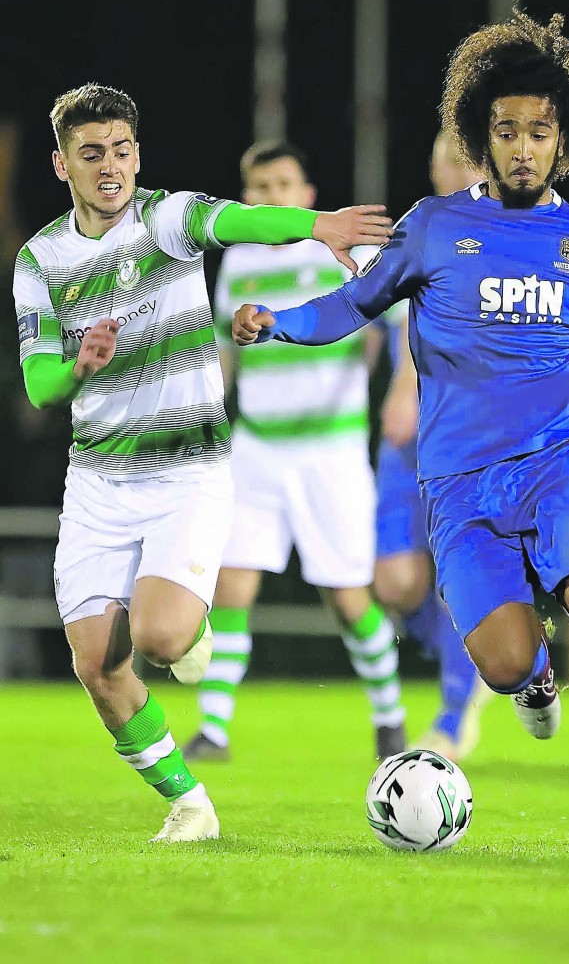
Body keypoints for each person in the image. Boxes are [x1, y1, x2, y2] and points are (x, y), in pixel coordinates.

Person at [229, 11, 569, 851]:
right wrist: (280, 323)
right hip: (457, 481)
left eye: (538, 133)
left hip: (560, 461)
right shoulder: (435, 225)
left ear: (565, 142)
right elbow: (353, 304)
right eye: (505, 131)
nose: (522, 147)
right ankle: (534, 678)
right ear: (481, 138)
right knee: (505, 662)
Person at [12, 83, 392, 843]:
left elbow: (241, 219)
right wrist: (80, 367)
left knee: (156, 640)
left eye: (121, 149)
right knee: (96, 666)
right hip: (95, 481)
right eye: (92, 154)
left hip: (187, 469)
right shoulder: (40, 259)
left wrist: (317, 224)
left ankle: (192, 635)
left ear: (137, 154)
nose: (110, 166)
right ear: (62, 165)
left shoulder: (167, 218)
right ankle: (189, 803)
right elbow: (37, 380)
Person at [183, 140, 406, 763]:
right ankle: (215, 729)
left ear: (306, 197)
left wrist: (401, 389)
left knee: (347, 597)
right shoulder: (237, 262)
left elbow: (400, 323)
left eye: (282, 185)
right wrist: (206, 419)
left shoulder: (344, 250)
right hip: (256, 447)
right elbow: (226, 357)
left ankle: (389, 715)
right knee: (230, 586)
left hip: (329, 452)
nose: (268, 197)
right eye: (257, 187)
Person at [374, 130, 495, 762]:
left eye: (461, 161)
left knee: (455, 577)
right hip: (407, 435)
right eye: (443, 160)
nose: (448, 172)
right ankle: (498, 654)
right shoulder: (418, 230)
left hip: (466, 436)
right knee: (394, 581)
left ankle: (455, 714)